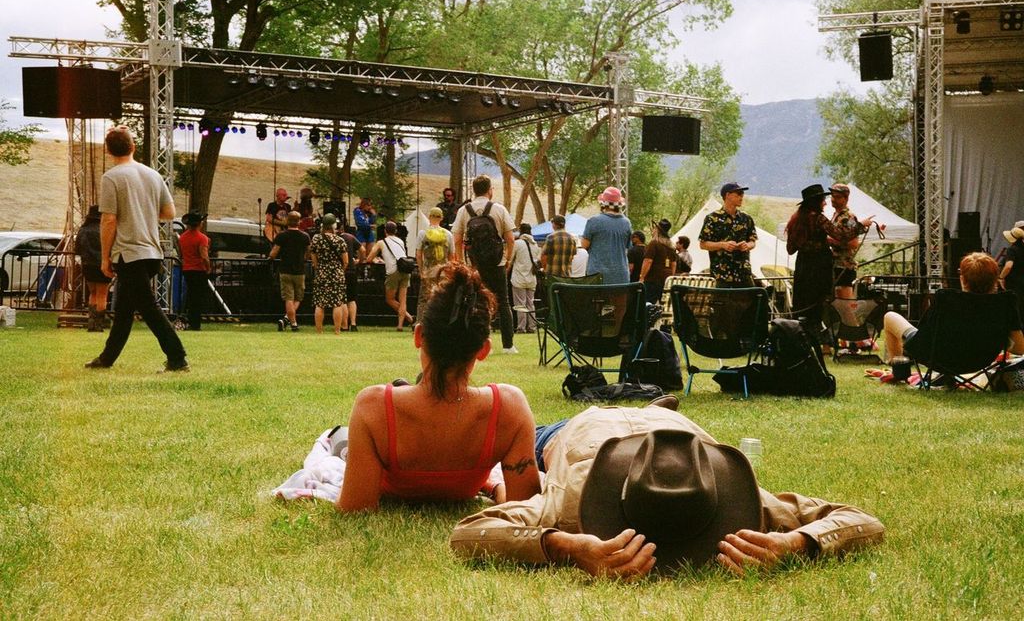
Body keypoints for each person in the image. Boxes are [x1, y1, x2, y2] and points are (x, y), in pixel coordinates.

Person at [449, 404, 885, 579]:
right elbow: (468, 535)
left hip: (673, 431)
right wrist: (565, 546)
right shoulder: (572, 500)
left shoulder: (744, 500)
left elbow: (865, 522)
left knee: (647, 400)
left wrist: (797, 543)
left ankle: (654, 403)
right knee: (539, 442)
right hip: (583, 429)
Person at [336, 263, 541, 512]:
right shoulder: (509, 407)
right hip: (477, 481)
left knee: (336, 440)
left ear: (418, 336)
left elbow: (355, 507)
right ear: (484, 350)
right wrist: (495, 486)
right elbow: (526, 507)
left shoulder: (373, 407)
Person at [84, 125, 188, 372]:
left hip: (129, 253)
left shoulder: (111, 177)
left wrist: (105, 257)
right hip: (152, 252)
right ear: (133, 147)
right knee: (123, 310)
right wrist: (143, 211)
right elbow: (169, 212)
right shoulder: (153, 175)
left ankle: (178, 358)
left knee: (149, 308)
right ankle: (106, 358)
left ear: (108, 151)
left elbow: (109, 220)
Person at [884, 251, 1024, 362]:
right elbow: (1019, 348)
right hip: (980, 360)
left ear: (962, 279)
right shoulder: (1005, 303)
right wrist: (999, 340)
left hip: (937, 358)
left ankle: (899, 370)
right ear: (994, 280)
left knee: (890, 316)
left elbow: (926, 334)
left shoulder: (948, 299)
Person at [785, 185, 873, 337]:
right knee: (821, 303)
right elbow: (841, 235)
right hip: (819, 267)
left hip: (802, 266)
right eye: (823, 200)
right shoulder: (819, 218)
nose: (826, 202)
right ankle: (826, 337)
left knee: (803, 302)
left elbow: (790, 249)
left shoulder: (796, 219)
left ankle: (803, 336)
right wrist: (861, 225)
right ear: (816, 202)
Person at [452, 174, 517, 354]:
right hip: (497, 263)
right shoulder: (499, 209)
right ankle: (508, 345)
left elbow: (457, 239)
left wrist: (462, 262)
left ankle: (480, 343)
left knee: (477, 303)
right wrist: (507, 259)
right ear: (490, 190)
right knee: (503, 302)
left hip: (475, 265)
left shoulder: (464, 210)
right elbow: (510, 239)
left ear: (473, 190)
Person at [699, 183, 758, 287]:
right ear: (727, 195)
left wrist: (747, 245)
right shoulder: (712, 218)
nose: (741, 197)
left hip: (743, 273)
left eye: (742, 194)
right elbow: (703, 244)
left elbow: (752, 241)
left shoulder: (746, 218)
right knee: (721, 298)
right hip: (721, 275)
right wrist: (723, 245)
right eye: (738, 194)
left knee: (751, 296)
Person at [366, 221, 415, 331]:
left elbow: (369, 258)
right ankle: (400, 325)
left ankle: (410, 318)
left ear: (385, 231)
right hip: (405, 269)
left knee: (390, 299)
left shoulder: (381, 242)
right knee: (403, 300)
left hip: (393, 270)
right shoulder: (400, 241)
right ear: (396, 231)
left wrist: (377, 259)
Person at [268, 211, 311, 332]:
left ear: (287, 221)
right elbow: (309, 251)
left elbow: (274, 253)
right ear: (299, 222)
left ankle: (290, 321)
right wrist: (304, 258)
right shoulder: (305, 236)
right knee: (298, 298)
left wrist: (270, 258)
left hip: (285, 270)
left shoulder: (281, 236)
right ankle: (291, 322)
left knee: (288, 298)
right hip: (300, 271)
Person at [581, 187, 632, 285]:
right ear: (619, 205)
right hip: (621, 276)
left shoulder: (594, 221)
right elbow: (628, 246)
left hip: (597, 276)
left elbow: (584, 245)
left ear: (603, 204)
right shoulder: (626, 223)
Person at [828, 184, 871, 299]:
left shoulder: (849, 217)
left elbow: (853, 243)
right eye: (832, 196)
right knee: (837, 303)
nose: (833, 199)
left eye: (837, 197)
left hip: (844, 265)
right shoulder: (836, 216)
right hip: (835, 265)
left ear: (845, 198)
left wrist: (830, 241)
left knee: (845, 302)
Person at [309, 213, 349, 335]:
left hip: (321, 272)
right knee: (337, 303)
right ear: (334, 225)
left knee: (320, 303)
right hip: (337, 273)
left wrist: (319, 268)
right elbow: (346, 261)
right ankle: (337, 330)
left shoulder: (316, 239)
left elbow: (313, 258)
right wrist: (340, 270)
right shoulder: (340, 240)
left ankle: (319, 330)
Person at [75, 205, 112, 332]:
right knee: (102, 294)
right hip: (102, 264)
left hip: (87, 265)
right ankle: (99, 324)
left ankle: (91, 322)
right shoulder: (104, 229)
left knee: (93, 293)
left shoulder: (83, 229)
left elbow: (77, 248)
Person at [415, 207, 455, 323]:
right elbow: (451, 256)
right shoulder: (448, 234)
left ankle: (420, 323)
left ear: (429, 217)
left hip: (428, 272)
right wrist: (449, 272)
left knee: (424, 299)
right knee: (442, 299)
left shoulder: (423, 233)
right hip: (442, 273)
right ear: (441, 218)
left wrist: (421, 271)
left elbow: (418, 254)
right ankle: (441, 323)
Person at [178, 211, 211, 331]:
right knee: (198, 298)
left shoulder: (182, 237)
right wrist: (208, 268)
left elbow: (181, 254)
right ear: (199, 223)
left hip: (187, 269)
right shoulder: (202, 238)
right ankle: (195, 323)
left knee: (190, 295)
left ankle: (189, 319)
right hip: (199, 270)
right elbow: (204, 256)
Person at [508, 222, 541, 333]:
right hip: (532, 278)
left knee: (520, 304)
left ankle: (521, 327)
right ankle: (532, 326)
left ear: (520, 231)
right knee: (530, 303)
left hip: (519, 278)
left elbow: (510, 259)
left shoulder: (517, 244)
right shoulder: (535, 245)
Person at [638, 219, 676, 304]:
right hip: (666, 279)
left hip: (653, 279)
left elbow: (648, 261)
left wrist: (642, 277)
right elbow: (673, 264)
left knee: (648, 303)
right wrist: (671, 277)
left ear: (657, 230)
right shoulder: (671, 246)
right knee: (664, 304)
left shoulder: (654, 243)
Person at [998, 223, 1024, 318]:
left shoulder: (1012, 250)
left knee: (1014, 305)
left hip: (1014, 282)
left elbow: (1008, 266)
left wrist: (1001, 277)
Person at [339, 225, 361, 331]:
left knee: (342, 299)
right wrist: (359, 261)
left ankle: (344, 325)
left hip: (341, 270)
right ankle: (353, 323)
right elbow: (363, 250)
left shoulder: (336, 239)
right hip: (352, 270)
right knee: (352, 299)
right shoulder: (350, 237)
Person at [540, 214, 575, 279]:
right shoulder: (572, 238)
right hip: (566, 276)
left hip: (553, 276)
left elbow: (544, 256)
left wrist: (545, 269)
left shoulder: (551, 237)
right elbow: (572, 257)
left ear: (554, 225)